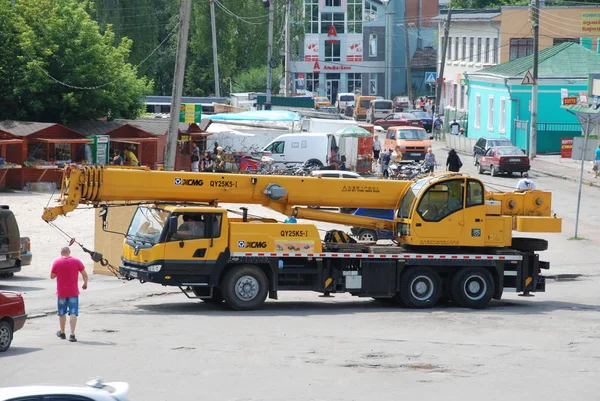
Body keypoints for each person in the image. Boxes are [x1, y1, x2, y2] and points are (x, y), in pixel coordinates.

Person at [50, 246, 88, 342]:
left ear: (61, 253)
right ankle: (72, 334)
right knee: (73, 312)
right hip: (73, 291)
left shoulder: (57, 262)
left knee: (61, 313)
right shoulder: (76, 261)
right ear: (69, 252)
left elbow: (52, 276)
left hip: (61, 292)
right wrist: (85, 283)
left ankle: (62, 333)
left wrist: (59, 273)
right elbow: (84, 274)